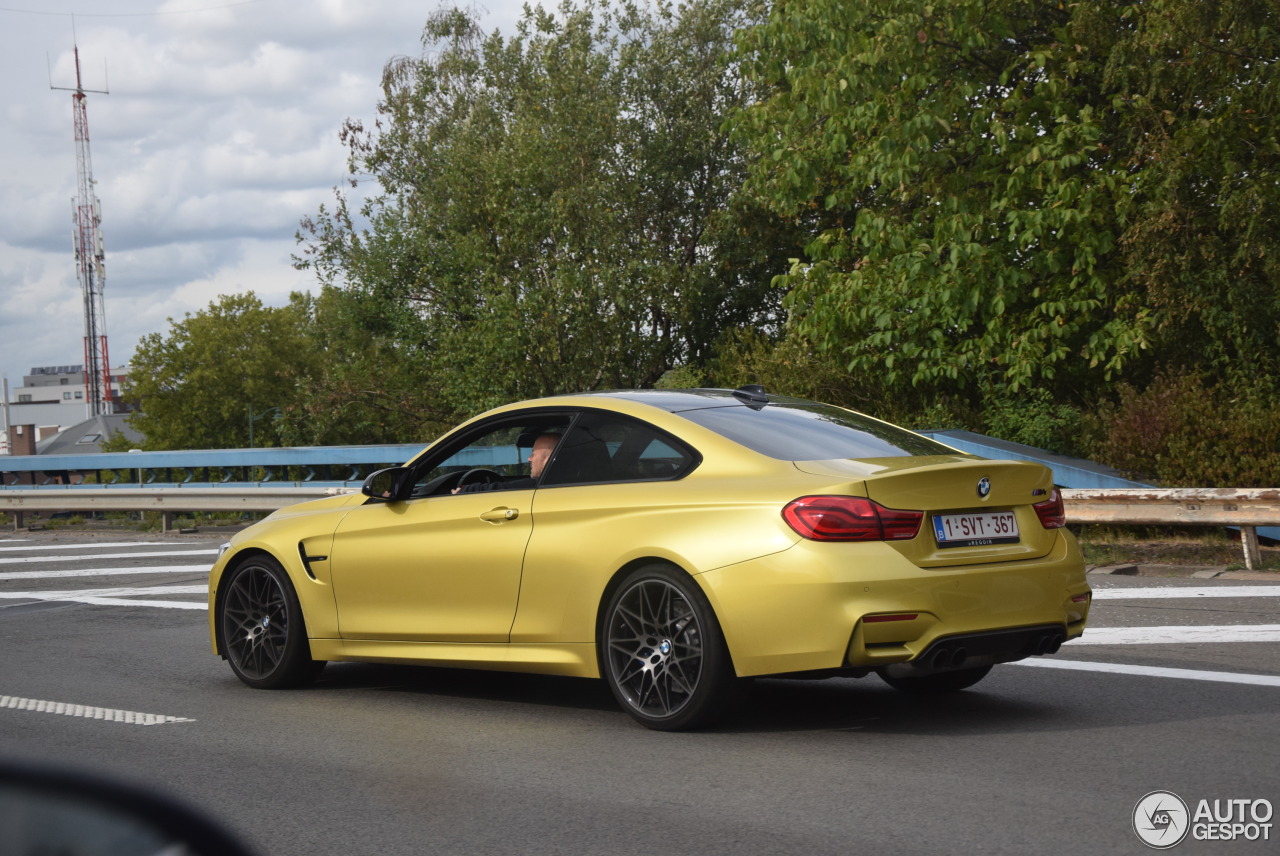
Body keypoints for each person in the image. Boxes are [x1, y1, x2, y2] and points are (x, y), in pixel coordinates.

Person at [452, 431, 560, 494]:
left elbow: (507, 488)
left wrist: (465, 491)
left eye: (533, 454)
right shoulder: (566, 483)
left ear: (549, 459)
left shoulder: (545, 486)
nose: (529, 459)